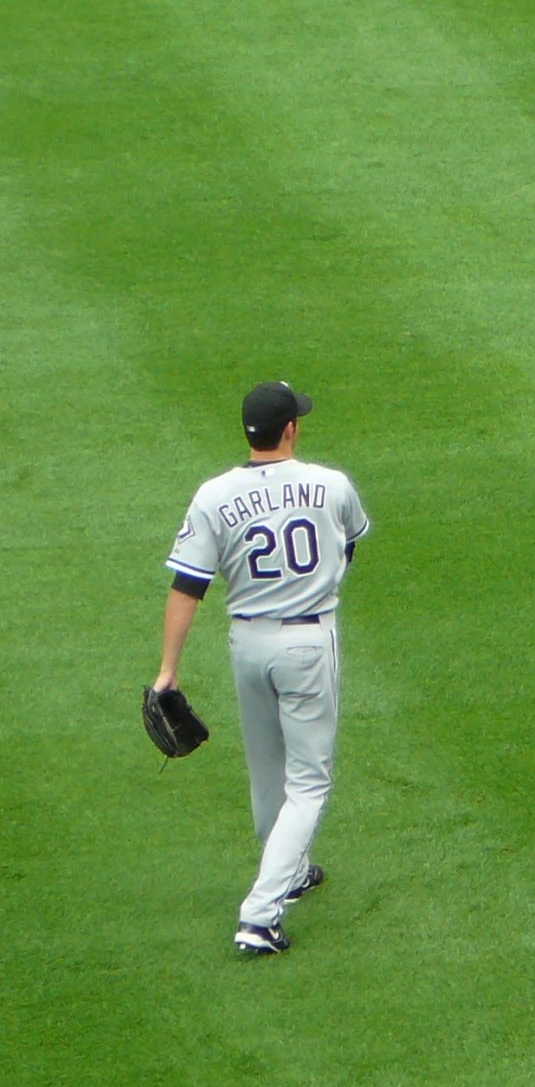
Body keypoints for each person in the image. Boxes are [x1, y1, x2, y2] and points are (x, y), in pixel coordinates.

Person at [154, 382, 370, 955]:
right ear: (291, 429)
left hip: (246, 642)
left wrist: (167, 671)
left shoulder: (214, 495)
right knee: (309, 782)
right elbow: (350, 546)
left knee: (267, 772)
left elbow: (187, 586)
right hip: (306, 640)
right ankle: (259, 914)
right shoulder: (331, 484)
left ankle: (291, 872)